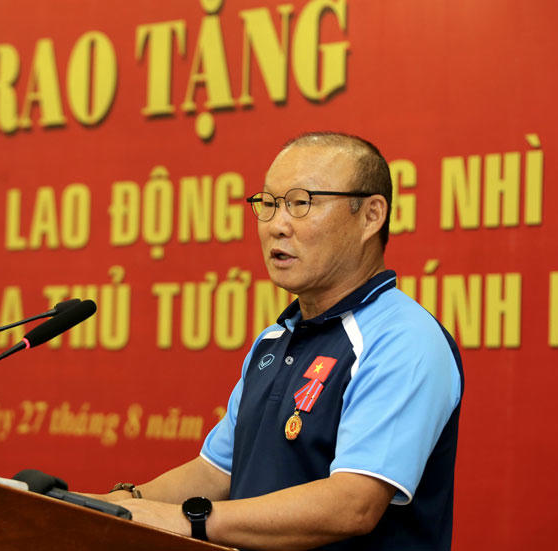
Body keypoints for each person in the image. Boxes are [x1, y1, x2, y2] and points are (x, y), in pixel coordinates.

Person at [97, 132, 463, 550]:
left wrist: (189, 520)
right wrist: (117, 505)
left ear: (371, 216)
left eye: (300, 203)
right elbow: (216, 473)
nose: (277, 225)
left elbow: (352, 504)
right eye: (268, 204)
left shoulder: (403, 339)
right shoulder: (274, 341)